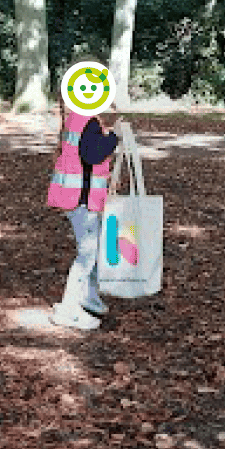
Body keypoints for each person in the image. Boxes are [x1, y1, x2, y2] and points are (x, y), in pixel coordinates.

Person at [47, 60, 129, 330]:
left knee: (89, 250)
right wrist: (113, 139)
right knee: (87, 253)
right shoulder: (90, 124)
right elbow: (92, 154)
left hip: (73, 197)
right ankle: (69, 309)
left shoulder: (74, 118)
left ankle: (89, 298)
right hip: (80, 199)